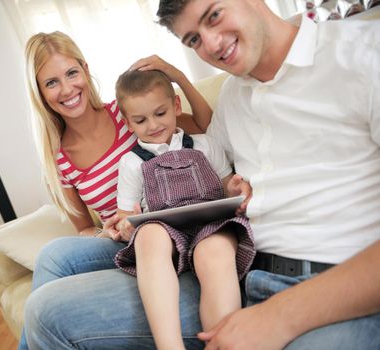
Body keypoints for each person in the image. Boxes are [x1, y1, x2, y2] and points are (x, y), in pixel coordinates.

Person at [23, 1, 380, 349]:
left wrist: (277, 316)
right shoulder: (233, 95)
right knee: (47, 297)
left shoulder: (362, 53)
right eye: (192, 39)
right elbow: (219, 160)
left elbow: (198, 144)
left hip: (300, 271)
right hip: (234, 264)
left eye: (214, 15)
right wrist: (125, 221)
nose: (209, 45)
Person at [19, 31, 213, 349]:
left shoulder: (129, 116)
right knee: (53, 255)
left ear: (84, 68)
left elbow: (206, 127)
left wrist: (178, 76)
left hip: (165, 232)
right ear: (39, 93)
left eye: (71, 73)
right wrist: (108, 232)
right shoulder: (60, 160)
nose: (67, 89)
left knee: (52, 258)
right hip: (124, 240)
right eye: (51, 82)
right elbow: (83, 227)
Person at [109, 68, 255, 349]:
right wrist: (126, 225)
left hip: (210, 226)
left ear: (176, 105)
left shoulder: (205, 144)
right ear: (128, 123)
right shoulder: (131, 163)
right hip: (165, 235)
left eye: (160, 113)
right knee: (150, 234)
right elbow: (126, 215)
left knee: (214, 252)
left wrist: (235, 189)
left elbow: (226, 185)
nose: (153, 125)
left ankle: (223, 342)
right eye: (140, 120)